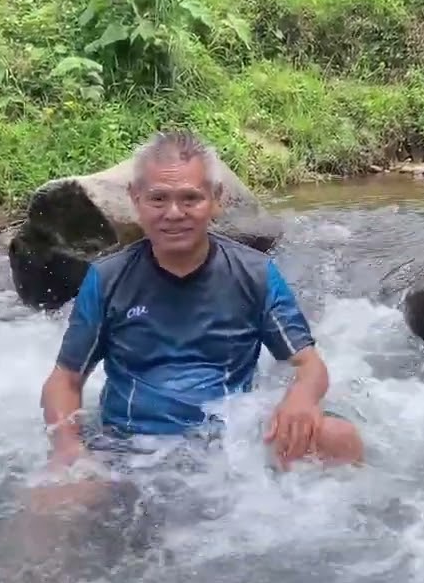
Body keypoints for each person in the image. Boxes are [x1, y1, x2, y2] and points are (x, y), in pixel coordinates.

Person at [38, 129, 365, 479]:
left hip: (225, 447)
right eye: (158, 199)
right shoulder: (107, 280)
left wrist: (301, 399)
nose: (174, 213)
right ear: (135, 198)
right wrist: (67, 447)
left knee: (338, 437)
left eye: (190, 199)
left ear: (216, 198)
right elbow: (65, 381)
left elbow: (309, 364)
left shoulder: (254, 274)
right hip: (129, 446)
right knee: (54, 499)